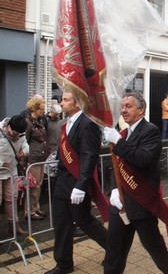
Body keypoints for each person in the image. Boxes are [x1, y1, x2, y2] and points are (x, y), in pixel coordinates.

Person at [103, 92, 168, 274]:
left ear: (141, 110)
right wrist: (115, 190)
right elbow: (114, 166)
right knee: (114, 252)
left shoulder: (150, 131)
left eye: (128, 106)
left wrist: (118, 141)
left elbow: (143, 159)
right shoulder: (124, 133)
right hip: (121, 204)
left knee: (154, 247)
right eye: (122, 106)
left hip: (142, 203)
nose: (123, 110)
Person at [45, 91, 109, 274]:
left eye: (66, 100)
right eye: (62, 99)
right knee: (61, 224)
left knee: (84, 221)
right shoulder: (67, 124)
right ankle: (64, 264)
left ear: (77, 104)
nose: (61, 103)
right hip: (62, 182)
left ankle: (114, 248)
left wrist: (81, 186)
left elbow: (89, 157)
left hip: (76, 183)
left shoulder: (88, 125)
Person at [0, 115, 29, 235]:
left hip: (11, 171)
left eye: (20, 134)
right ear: (8, 126)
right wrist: (1, 163)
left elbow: (25, 144)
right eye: (15, 132)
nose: (17, 136)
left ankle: (14, 226)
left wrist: (24, 152)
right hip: (1, 169)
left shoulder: (21, 133)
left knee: (12, 198)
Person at [24, 95, 49, 220]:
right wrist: (26, 161)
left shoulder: (40, 121)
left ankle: (35, 208)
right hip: (33, 158)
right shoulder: (28, 123)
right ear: (34, 108)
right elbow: (25, 142)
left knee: (38, 184)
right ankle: (30, 210)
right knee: (33, 185)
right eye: (41, 110)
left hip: (40, 157)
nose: (43, 112)